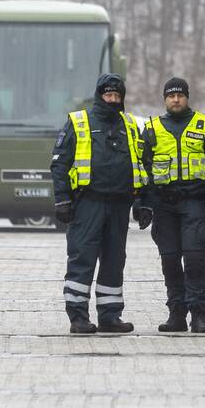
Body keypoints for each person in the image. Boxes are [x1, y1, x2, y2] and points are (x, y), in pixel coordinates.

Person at [51, 73, 146, 335]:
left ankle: (110, 316)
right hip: (87, 203)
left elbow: (140, 165)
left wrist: (141, 201)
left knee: (115, 260)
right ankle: (78, 317)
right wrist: (62, 200)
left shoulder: (129, 124)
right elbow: (59, 164)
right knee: (82, 258)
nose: (113, 100)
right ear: (99, 95)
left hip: (119, 205)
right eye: (108, 95)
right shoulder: (78, 121)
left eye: (117, 96)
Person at [141, 77, 205, 334]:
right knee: (169, 261)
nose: (175, 100)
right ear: (165, 99)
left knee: (194, 259)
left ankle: (200, 315)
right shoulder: (152, 128)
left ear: (187, 97)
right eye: (170, 96)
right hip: (164, 206)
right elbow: (141, 169)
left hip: (194, 203)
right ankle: (176, 314)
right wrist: (143, 204)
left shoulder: (204, 126)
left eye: (180, 95)